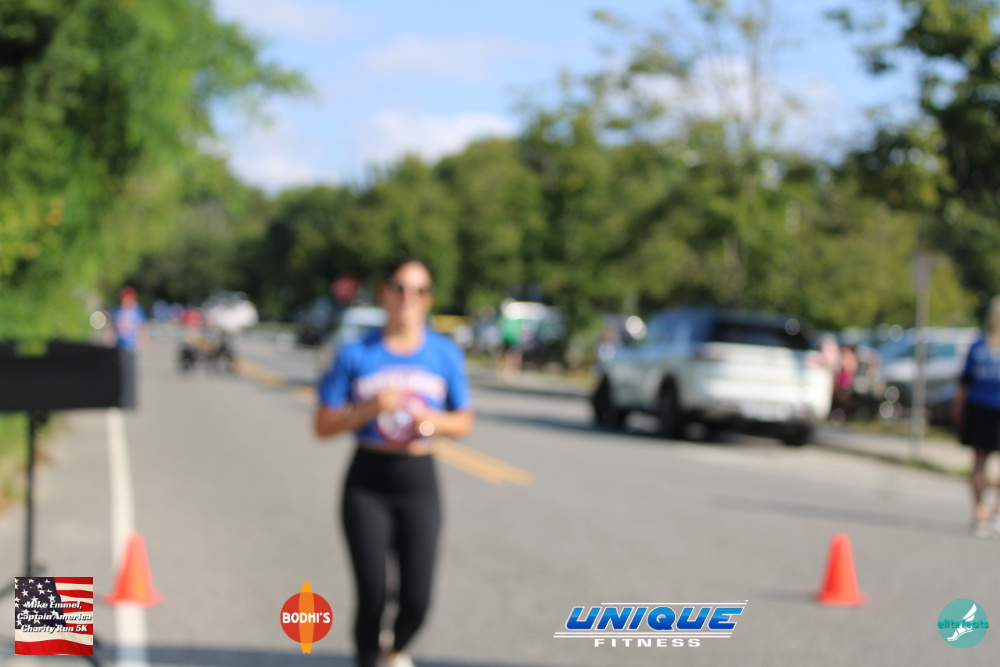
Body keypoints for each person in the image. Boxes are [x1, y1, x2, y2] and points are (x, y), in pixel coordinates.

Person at [314, 258, 475, 667]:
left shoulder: (444, 354)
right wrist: (367, 409)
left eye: (419, 290)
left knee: (417, 599)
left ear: (429, 299)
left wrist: (431, 421)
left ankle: (395, 650)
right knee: (372, 594)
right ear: (383, 293)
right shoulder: (355, 352)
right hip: (368, 481)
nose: (408, 298)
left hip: (418, 481)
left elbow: (464, 421)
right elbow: (323, 425)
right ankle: (368, 658)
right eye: (399, 288)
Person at [952, 296, 1000, 537]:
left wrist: (958, 408)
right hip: (987, 408)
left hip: (979, 408)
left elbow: (964, 382)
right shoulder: (979, 345)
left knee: (979, 463)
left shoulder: (979, 345)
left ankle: (979, 511)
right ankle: (997, 514)